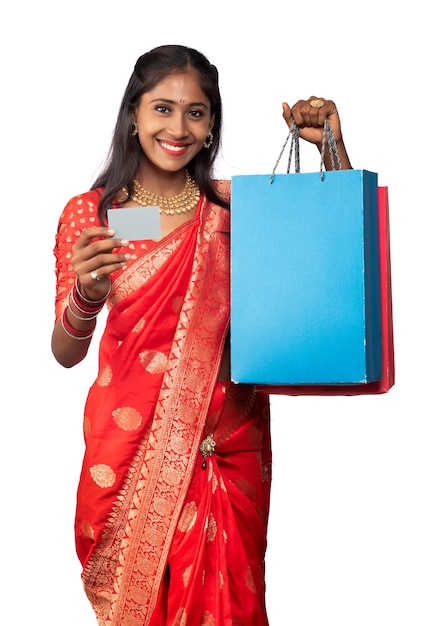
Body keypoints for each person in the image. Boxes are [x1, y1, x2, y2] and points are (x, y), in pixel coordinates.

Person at [51, 44, 352, 626]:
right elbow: (65, 352)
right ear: (133, 114)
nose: (177, 127)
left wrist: (334, 147)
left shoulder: (237, 208)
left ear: (212, 124)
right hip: (126, 456)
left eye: (196, 112)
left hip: (226, 454)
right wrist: (86, 295)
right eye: (162, 108)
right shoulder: (96, 216)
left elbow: (332, 252)